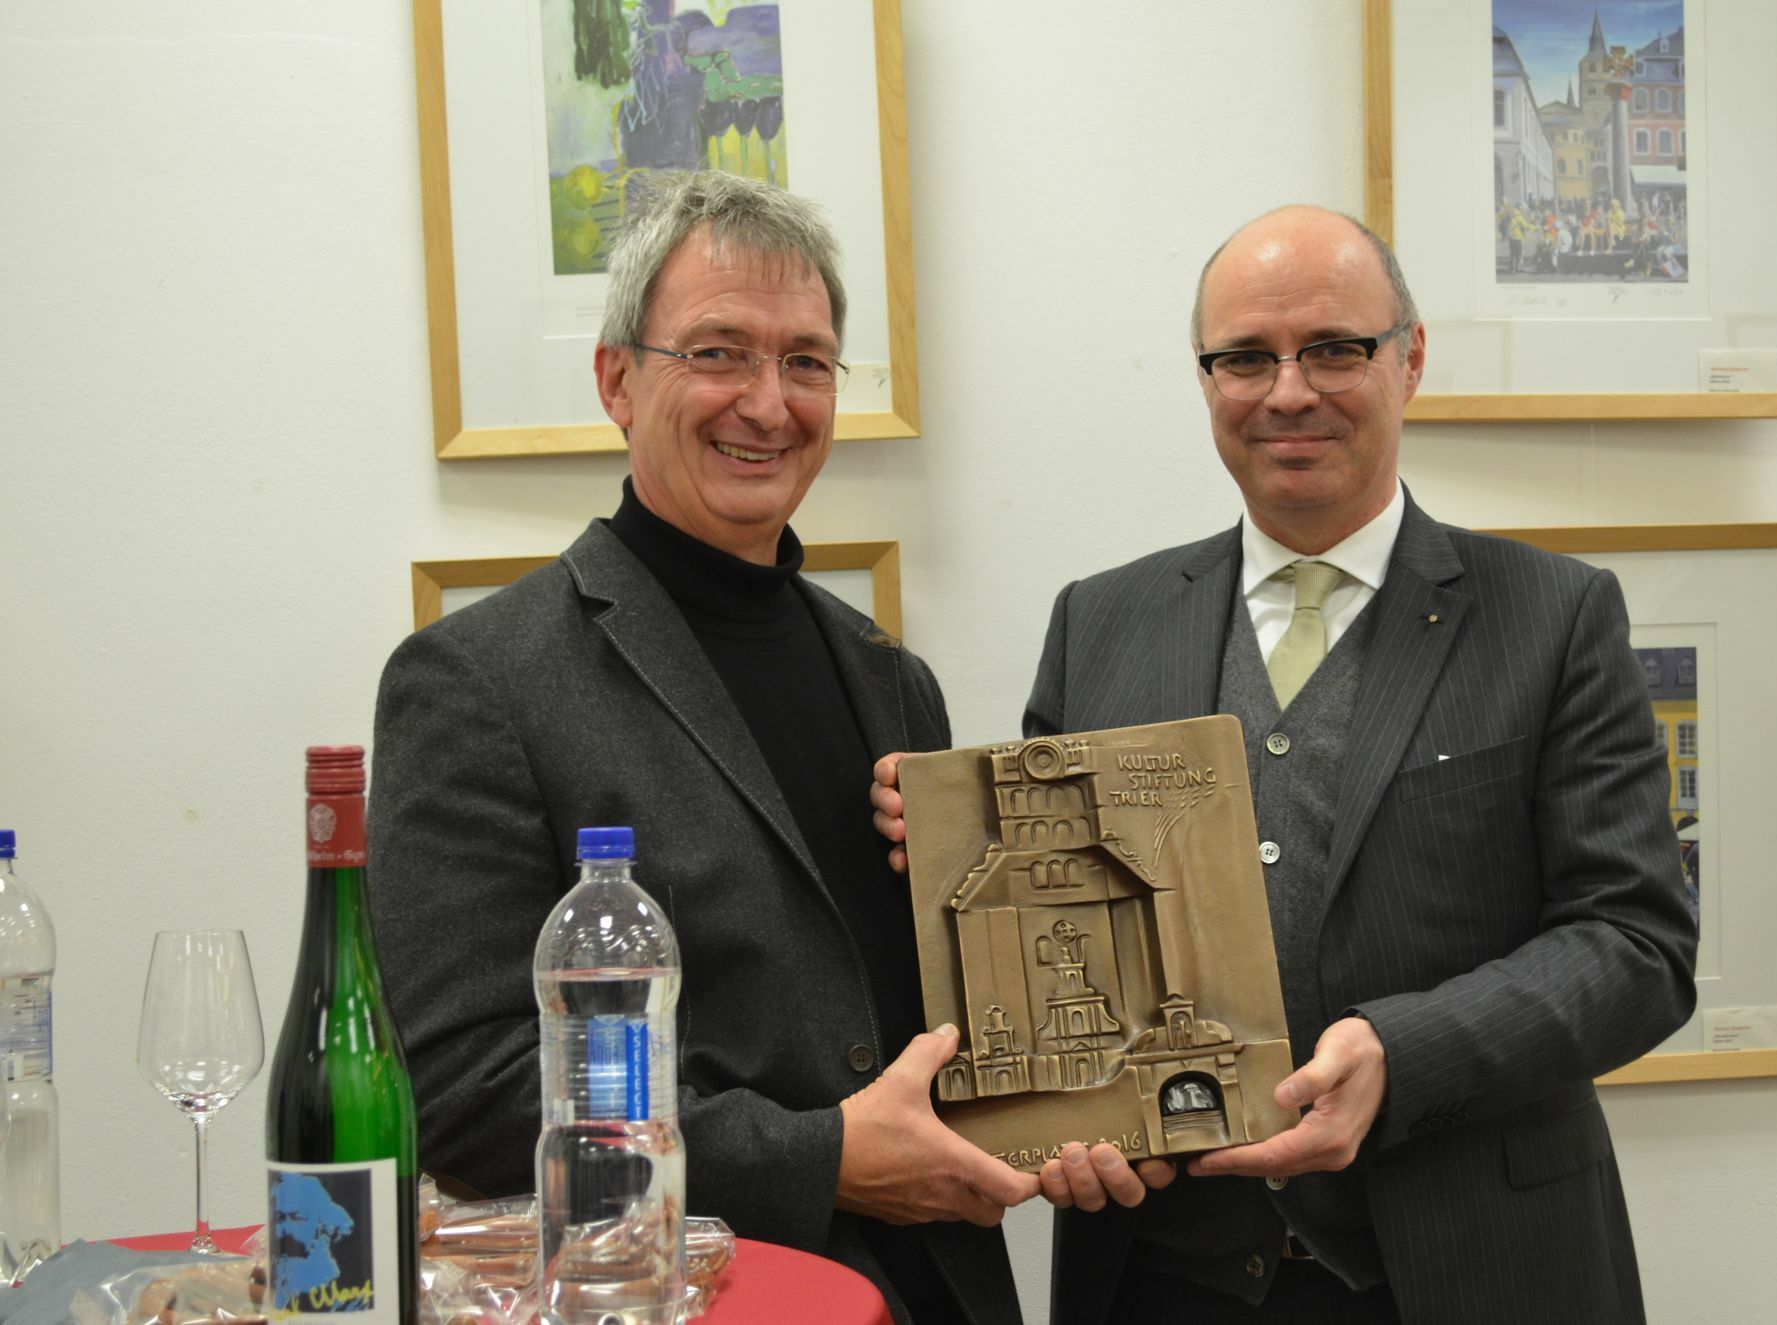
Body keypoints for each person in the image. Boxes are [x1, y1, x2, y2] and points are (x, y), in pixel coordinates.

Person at [875, 206, 1696, 1323]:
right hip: (1162, 1279)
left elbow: (1637, 945)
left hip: (1468, 1269)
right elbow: (1051, 915)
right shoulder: (1098, 623)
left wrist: (1402, 1053)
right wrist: (930, 844)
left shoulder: (1554, 616)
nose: (1289, 392)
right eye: (1246, 358)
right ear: (1204, 377)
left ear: (1410, 357)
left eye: (1333, 349)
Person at [368, 172, 1034, 1325]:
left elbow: (923, 1036)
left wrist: (1065, 1106)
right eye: (719, 352)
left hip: (943, 1293)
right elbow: (462, 1089)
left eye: (806, 361)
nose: (768, 403)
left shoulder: (892, 678)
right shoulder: (475, 680)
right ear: (617, 380)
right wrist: (822, 1157)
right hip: (700, 1298)